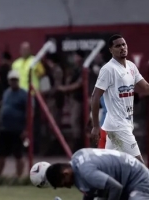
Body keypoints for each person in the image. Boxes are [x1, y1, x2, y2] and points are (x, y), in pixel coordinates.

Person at [91, 34, 149, 163]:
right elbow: (95, 96)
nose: (122, 48)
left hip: (124, 124)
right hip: (118, 125)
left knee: (112, 166)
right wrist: (95, 126)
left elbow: (146, 87)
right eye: (118, 46)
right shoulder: (108, 69)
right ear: (111, 50)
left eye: (124, 44)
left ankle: (95, 181)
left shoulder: (131, 66)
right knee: (139, 165)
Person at [45, 148, 149, 200]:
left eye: (64, 184)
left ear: (66, 173)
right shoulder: (77, 158)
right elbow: (90, 194)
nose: (67, 187)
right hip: (128, 180)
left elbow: (116, 188)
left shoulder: (87, 171)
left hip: (139, 180)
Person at [0, 70, 27, 178]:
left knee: (18, 154)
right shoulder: (6, 93)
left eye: (15, 80)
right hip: (5, 128)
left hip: (17, 129)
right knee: (0, 154)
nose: (14, 82)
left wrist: (26, 129)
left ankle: (19, 176)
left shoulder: (24, 94)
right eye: (12, 80)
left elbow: (29, 113)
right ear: (9, 81)